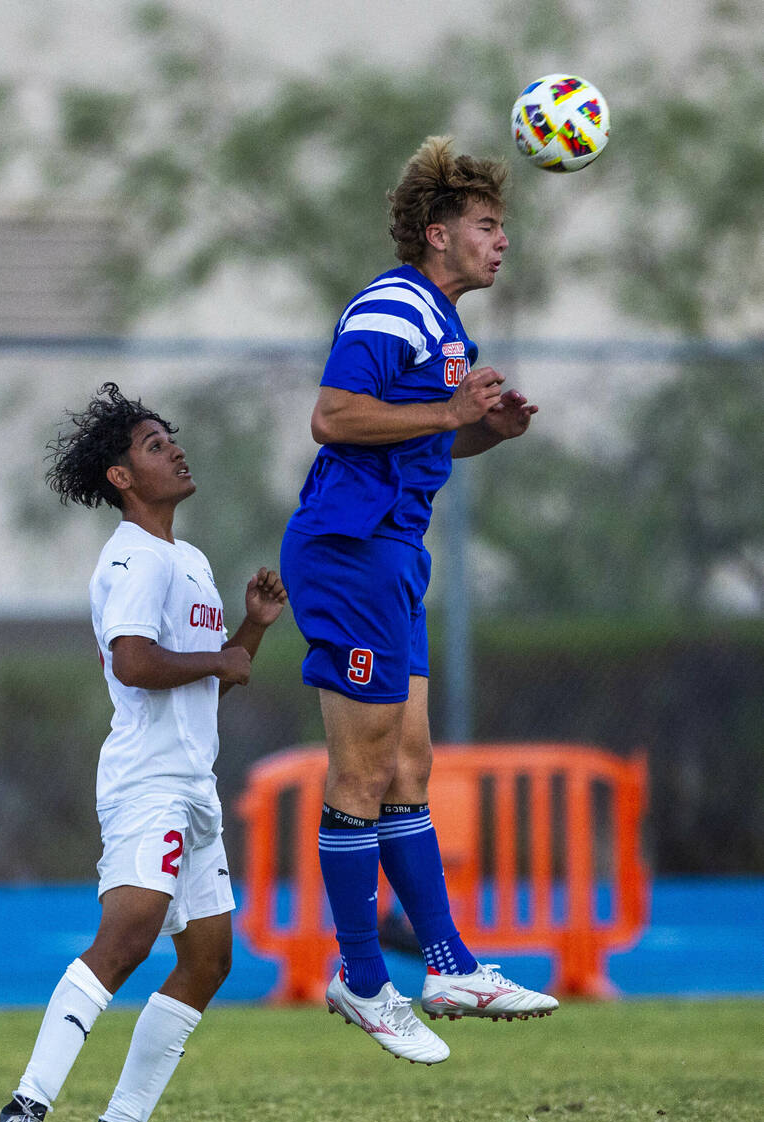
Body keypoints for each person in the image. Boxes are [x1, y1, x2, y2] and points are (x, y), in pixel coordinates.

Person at [279, 136, 558, 1065]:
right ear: (438, 235)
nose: (501, 241)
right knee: (360, 773)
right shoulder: (394, 305)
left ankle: (447, 964)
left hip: (394, 556)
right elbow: (333, 415)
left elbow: (416, 443)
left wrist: (487, 432)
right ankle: (362, 977)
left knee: (410, 763)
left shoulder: (446, 330)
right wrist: (449, 412)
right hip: (350, 550)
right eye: (487, 225)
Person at [0, 382, 287, 1122]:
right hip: (147, 782)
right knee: (125, 939)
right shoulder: (132, 555)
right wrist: (221, 652)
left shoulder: (187, 557)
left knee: (210, 957)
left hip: (193, 785)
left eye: (171, 440)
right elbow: (134, 662)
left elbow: (208, 677)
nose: (176, 450)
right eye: (156, 445)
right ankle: (23, 1107)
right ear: (121, 478)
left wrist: (247, 633)